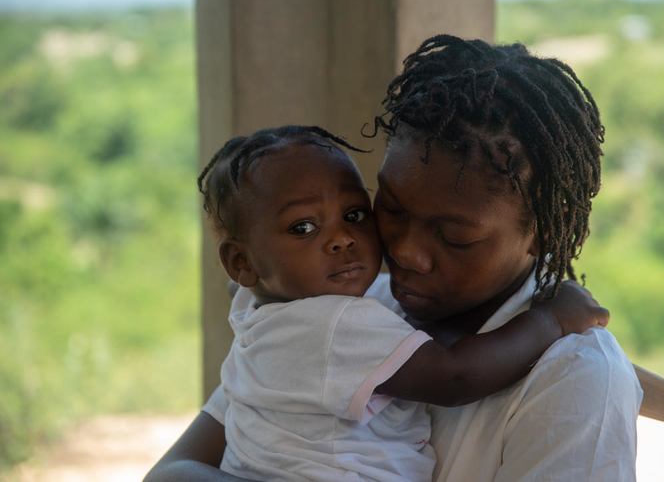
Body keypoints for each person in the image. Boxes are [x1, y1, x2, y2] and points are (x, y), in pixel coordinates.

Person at [145, 35, 643, 482]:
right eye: (393, 208)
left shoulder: (575, 380)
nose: (404, 252)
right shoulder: (348, 307)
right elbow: (172, 474)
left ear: (543, 232)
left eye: (453, 236)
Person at [197, 125, 608, 482]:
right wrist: (551, 321)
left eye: (356, 215)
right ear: (241, 263)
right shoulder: (334, 321)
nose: (342, 238)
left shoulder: (264, 311)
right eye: (303, 227)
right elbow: (455, 377)